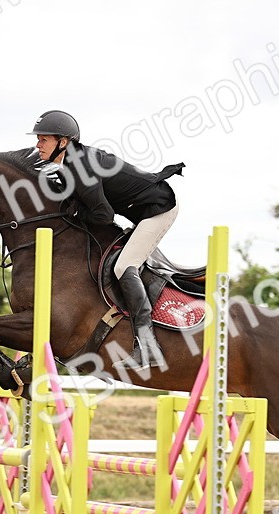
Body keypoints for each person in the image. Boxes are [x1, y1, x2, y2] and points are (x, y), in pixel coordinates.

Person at [29, 110, 184, 371]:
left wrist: (75, 210)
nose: (38, 145)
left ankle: (148, 346)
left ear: (63, 142)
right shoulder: (71, 164)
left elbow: (103, 215)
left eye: (43, 139)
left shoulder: (81, 167)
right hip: (141, 210)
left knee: (124, 266)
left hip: (159, 209)